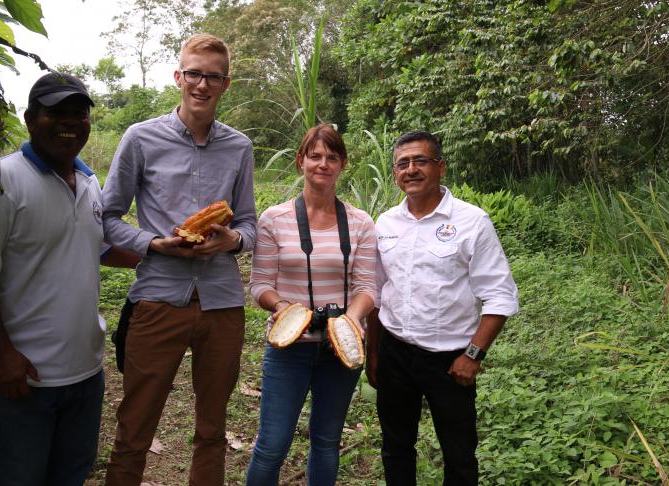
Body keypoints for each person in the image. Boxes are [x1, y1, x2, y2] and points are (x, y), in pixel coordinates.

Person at [0, 72, 139, 485]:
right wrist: (2, 354)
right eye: (56, 113)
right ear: (30, 119)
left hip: (85, 372)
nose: (69, 123)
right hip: (23, 376)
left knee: (71, 475)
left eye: (79, 114)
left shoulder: (90, 182)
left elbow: (98, 247)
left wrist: (159, 254)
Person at [101, 33, 257, 486]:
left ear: (226, 84)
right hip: (157, 299)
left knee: (212, 429)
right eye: (194, 74)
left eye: (212, 76)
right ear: (179, 76)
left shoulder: (239, 147)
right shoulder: (141, 137)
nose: (202, 85)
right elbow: (107, 216)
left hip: (222, 304)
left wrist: (230, 240)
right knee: (135, 424)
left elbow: (248, 224)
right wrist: (151, 243)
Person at [366, 130, 519, 485]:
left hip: (450, 360)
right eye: (403, 163)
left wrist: (473, 355)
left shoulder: (471, 222)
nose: (411, 170)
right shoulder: (386, 224)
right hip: (394, 354)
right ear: (394, 174)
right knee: (396, 446)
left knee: (459, 452)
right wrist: (374, 352)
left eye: (421, 161)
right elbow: (375, 292)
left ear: (441, 167)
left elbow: (499, 294)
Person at [245, 124, 377, 485]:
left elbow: (367, 286)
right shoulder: (274, 219)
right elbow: (260, 285)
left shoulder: (360, 222)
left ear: (343, 164)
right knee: (272, 444)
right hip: (289, 347)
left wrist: (350, 320)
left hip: (342, 351)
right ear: (300, 161)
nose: (323, 164)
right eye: (315, 156)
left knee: (326, 442)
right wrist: (288, 309)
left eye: (332, 157)